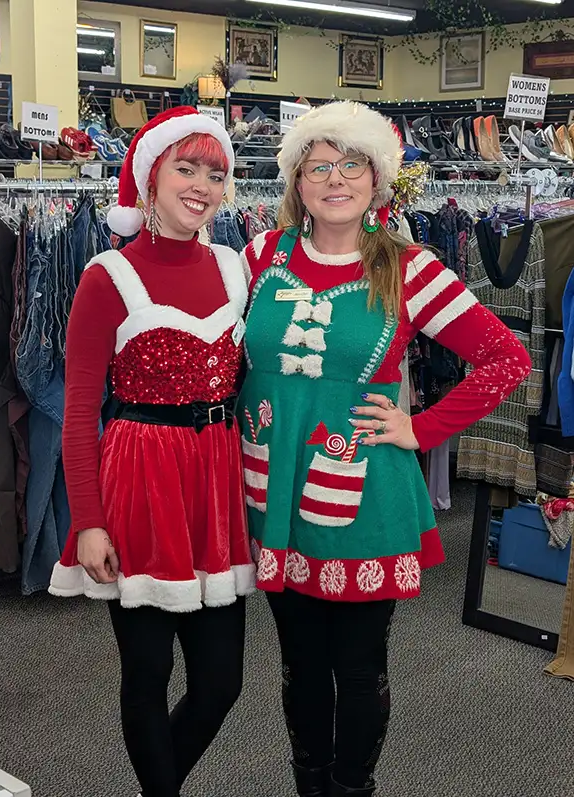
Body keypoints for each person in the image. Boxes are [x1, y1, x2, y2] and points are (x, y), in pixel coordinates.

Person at [239, 101, 531, 797]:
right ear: (296, 180)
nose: (334, 180)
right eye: (318, 165)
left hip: (364, 495)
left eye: (351, 165)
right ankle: (310, 782)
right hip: (275, 491)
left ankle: (352, 788)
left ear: (377, 179)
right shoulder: (259, 256)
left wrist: (420, 428)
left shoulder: (410, 269)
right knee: (298, 663)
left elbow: (504, 357)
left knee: (359, 665)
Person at [49, 106, 255, 797]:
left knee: (221, 681)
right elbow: (79, 412)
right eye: (186, 168)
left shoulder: (234, 267)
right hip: (139, 478)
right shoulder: (106, 276)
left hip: (215, 483)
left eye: (216, 173)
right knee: (146, 672)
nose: (202, 185)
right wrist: (88, 520)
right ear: (150, 178)